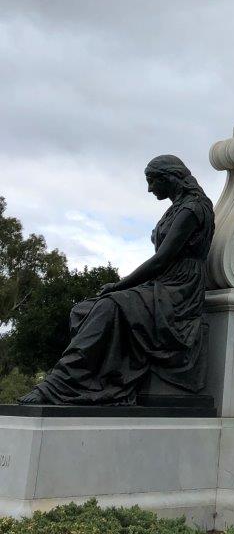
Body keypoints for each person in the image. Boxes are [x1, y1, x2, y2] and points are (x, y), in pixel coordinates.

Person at [19, 155, 214, 405]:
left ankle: (56, 385)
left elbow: (160, 260)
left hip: (179, 290)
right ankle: (95, 384)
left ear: (169, 177)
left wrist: (120, 285)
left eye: (152, 181)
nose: (149, 188)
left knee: (109, 305)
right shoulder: (177, 207)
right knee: (84, 309)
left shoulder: (192, 209)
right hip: (162, 283)